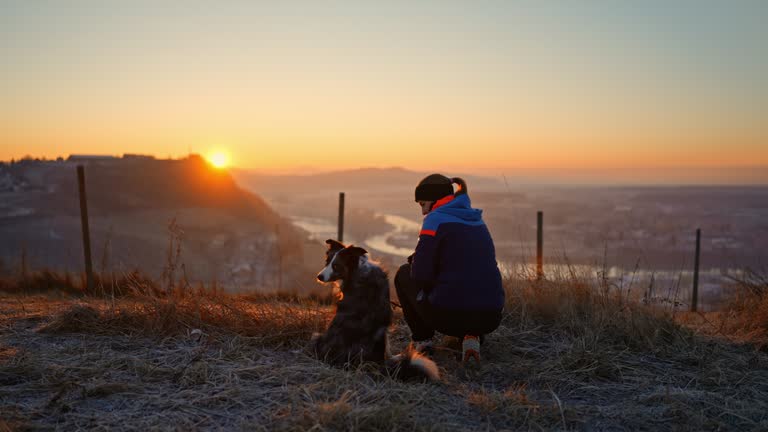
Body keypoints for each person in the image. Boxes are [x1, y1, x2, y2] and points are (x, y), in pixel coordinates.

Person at [395, 174, 505, 363]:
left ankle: (423, 343)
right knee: (464, 288)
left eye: (422, 204)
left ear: (436, 200)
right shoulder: (476, 219)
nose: (422, 212)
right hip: (490, 317)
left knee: (404, 274)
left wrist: (424, 280)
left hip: (450, 317)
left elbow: (420, 274)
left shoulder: (435, 219)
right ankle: (471, 336)